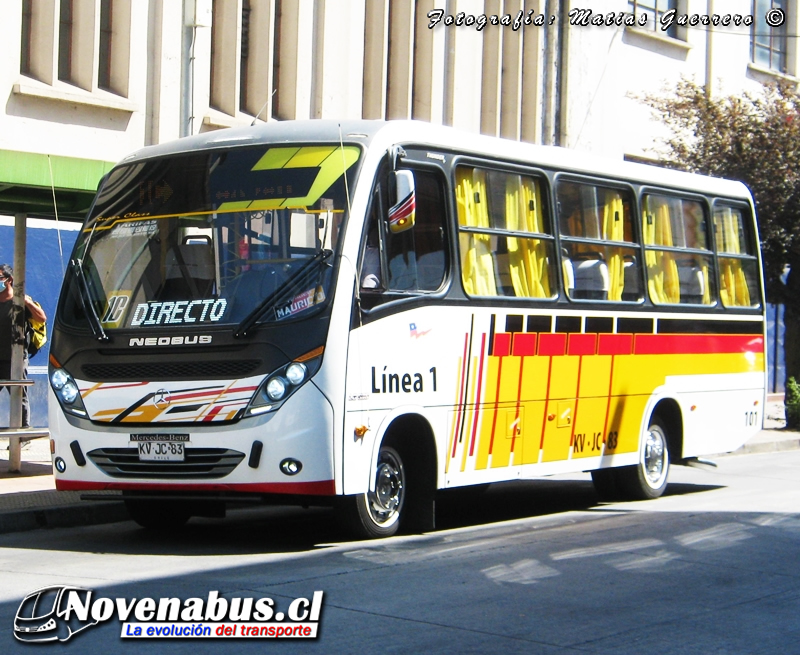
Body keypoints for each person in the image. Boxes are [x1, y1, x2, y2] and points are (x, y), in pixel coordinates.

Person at [0, 264, 46, 428]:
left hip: (16, 359)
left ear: (9, 280)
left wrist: (27, 302)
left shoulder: (20, 302)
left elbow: (41, 319)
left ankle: (23, 432)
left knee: (19, 395)